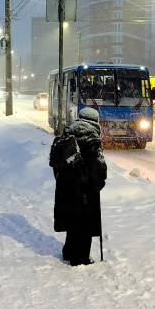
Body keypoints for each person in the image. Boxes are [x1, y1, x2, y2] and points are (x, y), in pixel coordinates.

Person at [50, 107, 107, 266]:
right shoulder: (92, 138)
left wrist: (66, 181)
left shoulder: (67, 134)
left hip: (66, 186)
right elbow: (100, 166)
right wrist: (97, 184)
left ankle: (68, 252)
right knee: (85, 223)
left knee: (72, 220)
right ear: (95, 120)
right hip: (85, 187)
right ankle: (80, 258)